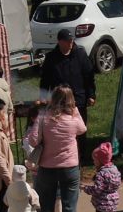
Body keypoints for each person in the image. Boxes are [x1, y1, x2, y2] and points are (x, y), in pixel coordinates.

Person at [28, 85, 87, 212]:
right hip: (69, 168)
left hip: (46, 167)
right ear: (70, 101)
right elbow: (83, 129)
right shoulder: (72, 119)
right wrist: (75, 110)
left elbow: (32, 140)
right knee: (69, 210)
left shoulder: (44, 118)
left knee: (46, 210)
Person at [37, 29, 97, 159]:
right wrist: (43, 97)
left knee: (79, 128)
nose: (71, 42)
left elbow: (89, 76)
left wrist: (91, 95)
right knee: (62, 128)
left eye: (72, 40)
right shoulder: (51, 58)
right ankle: (64, 154)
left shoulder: (80, 54)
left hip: (78, 99)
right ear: (59, 42)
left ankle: (81, 156)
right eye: (67, 40)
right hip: (58, 101)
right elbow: (45, 80)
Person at [83, 142, 122, 212]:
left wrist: (85, 188)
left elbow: (97, 190)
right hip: (113, 202)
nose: (93, 162)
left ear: (100, 160)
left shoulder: (101, 174)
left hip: (102, 204)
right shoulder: (114, 169)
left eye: (94, 160)